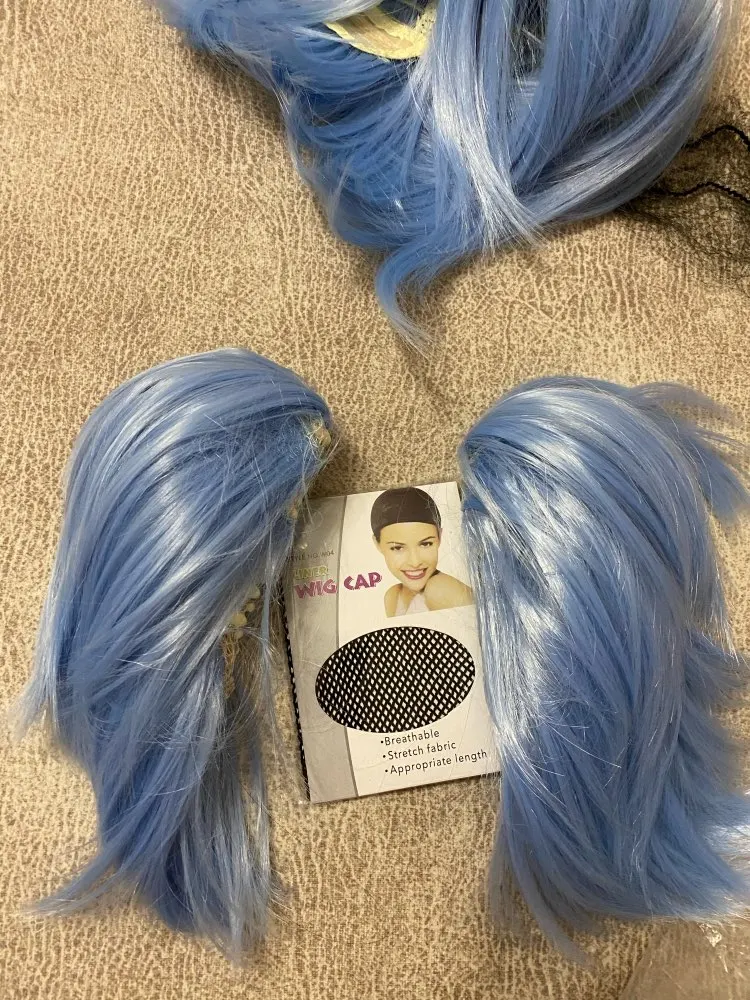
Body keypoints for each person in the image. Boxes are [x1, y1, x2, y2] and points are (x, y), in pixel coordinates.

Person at [371, 487, 473, 618]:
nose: (415, 562)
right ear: (377, 544)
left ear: (439, 537)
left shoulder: (440, 589)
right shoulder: (393, 596)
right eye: (398, 548)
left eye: (425, 544)